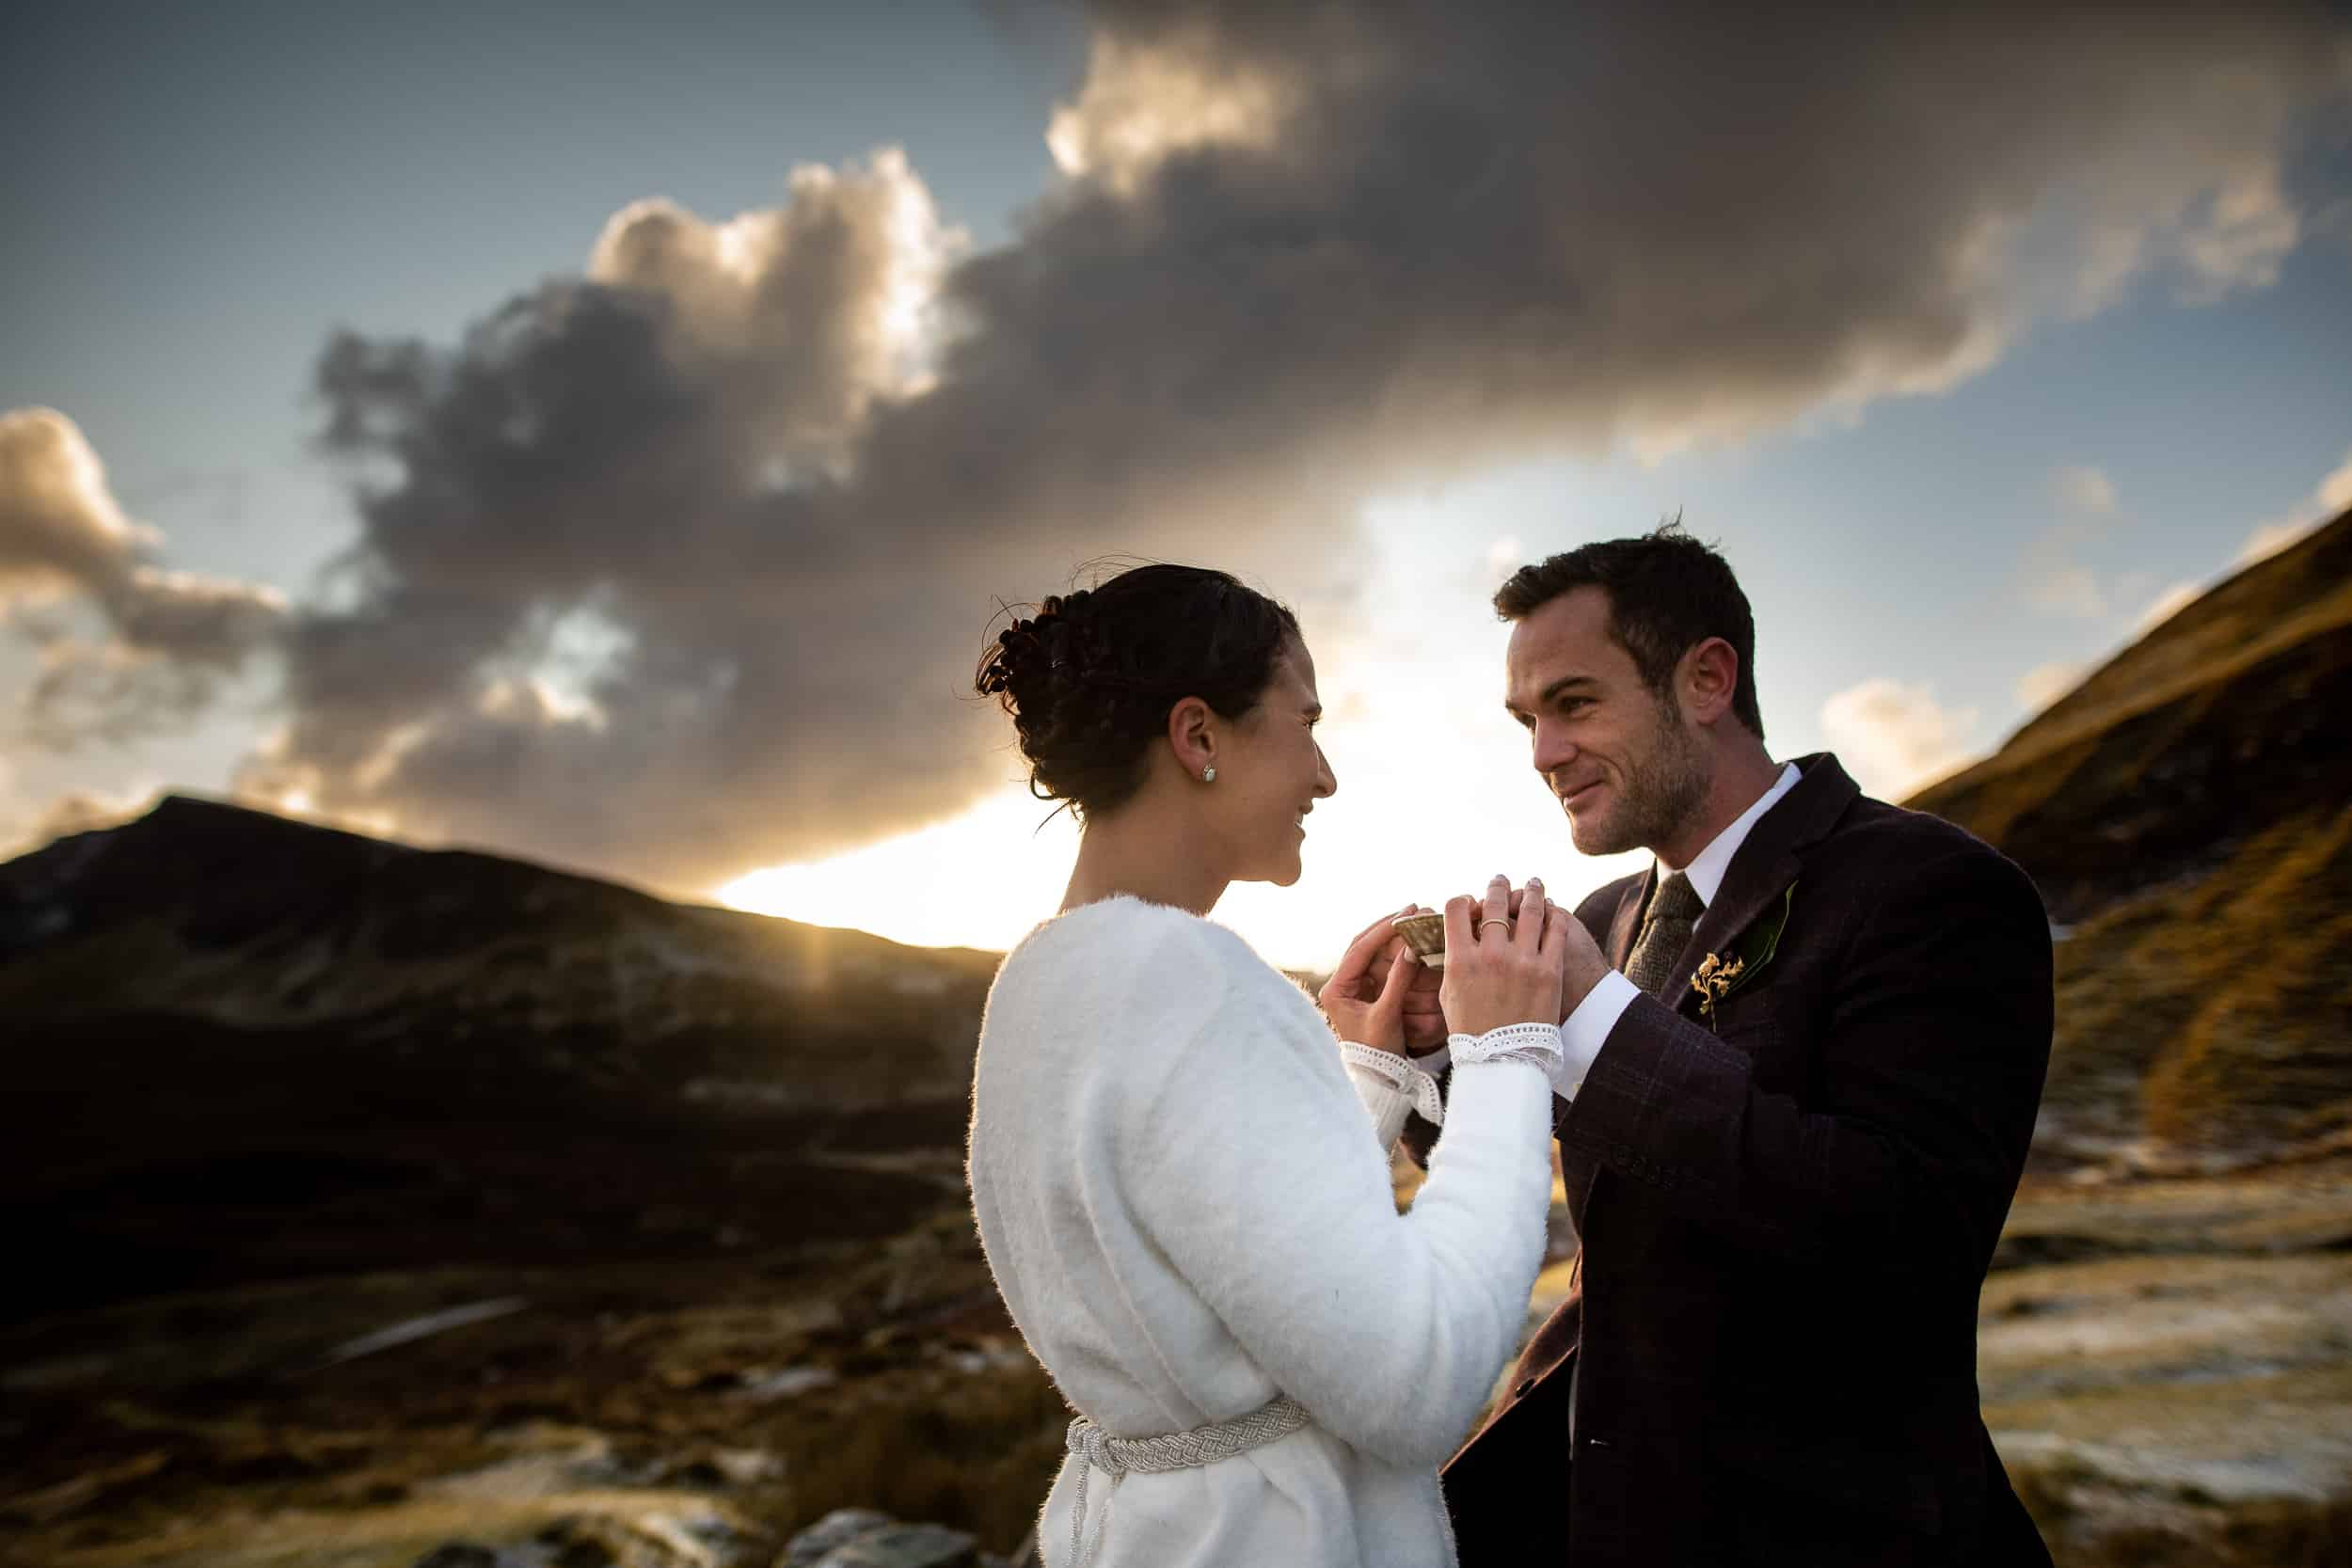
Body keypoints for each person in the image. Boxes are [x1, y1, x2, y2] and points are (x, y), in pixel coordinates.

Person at [1400, 525, 2056, 1566]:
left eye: (1574, 703)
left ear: (1705, 679)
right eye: (1527, 719)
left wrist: (1593, 1018)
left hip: (1822, 1532)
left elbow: (1908, 1232)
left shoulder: (1929, 887)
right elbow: (1609, 1197)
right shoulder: (1607, 911)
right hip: (1599, 1505)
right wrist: (1436, 1066)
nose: (1541, 753)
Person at [965, 562, 1568, 1568]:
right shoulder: (1192, 981)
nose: (1323, 773)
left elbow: (1211, 1245)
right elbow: (1418, 1378)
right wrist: (1507, 1045)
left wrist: (1363, 1076)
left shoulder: (1042, 980)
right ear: (1198, 734)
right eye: (1304, 720)